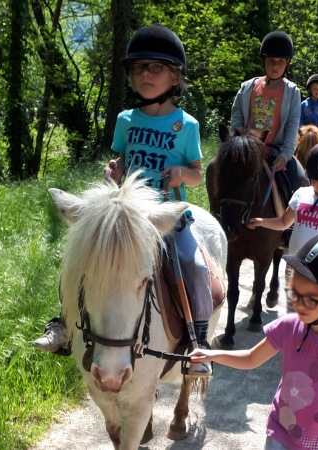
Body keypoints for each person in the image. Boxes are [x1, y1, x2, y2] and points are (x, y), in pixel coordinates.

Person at [33, 25, 215, 376]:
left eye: (155, 67)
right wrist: (114, 168)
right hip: (125, 214)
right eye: (139, 67)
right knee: (81, 258)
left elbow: (197, 172)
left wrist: (181, 173)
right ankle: (64, 324)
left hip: (163, 215)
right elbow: (121, 159)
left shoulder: (186, 124)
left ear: (175, 76)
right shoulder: (126, 120)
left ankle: (198, 341)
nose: (145, 73)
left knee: (192, 266)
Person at [190, 231, 318, 450]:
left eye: (310, 299)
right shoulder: (289, 327)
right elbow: (251, 358)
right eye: (294, 294)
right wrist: (213, 355)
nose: (298, 304)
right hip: (280, 434)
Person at [248, 142, 318, 252]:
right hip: (295, 262)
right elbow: (284, 222)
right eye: (315, 178)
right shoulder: (300, 194)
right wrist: (262, 221)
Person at [231, 31, 301, 172]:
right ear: (263, 61)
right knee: (213, 168)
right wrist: (237, 144)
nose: (275, 66)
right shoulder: (247, 88)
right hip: (246, 151)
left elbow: (292, 126)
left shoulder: (293, 92)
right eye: (271, 61)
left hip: (275, 153)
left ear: (287, 62)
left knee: (300, 179)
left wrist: (285, 155)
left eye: (280, 61)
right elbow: (236, 119)